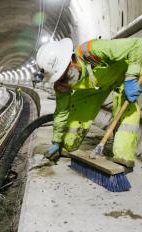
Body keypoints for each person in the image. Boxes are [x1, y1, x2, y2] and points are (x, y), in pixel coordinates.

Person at [36, 38, 142, 168]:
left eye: (66, 74)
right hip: (95, 86)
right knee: (70, 132)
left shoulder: (91, 50)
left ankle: (122, 156)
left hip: (122, 77)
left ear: (71, 60)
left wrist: (131, 77)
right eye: (60, 78)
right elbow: (61, 113)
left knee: (127, 114)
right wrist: (56, 141)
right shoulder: (62, 85)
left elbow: (137, 45)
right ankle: (65, 145)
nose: (65, 80)